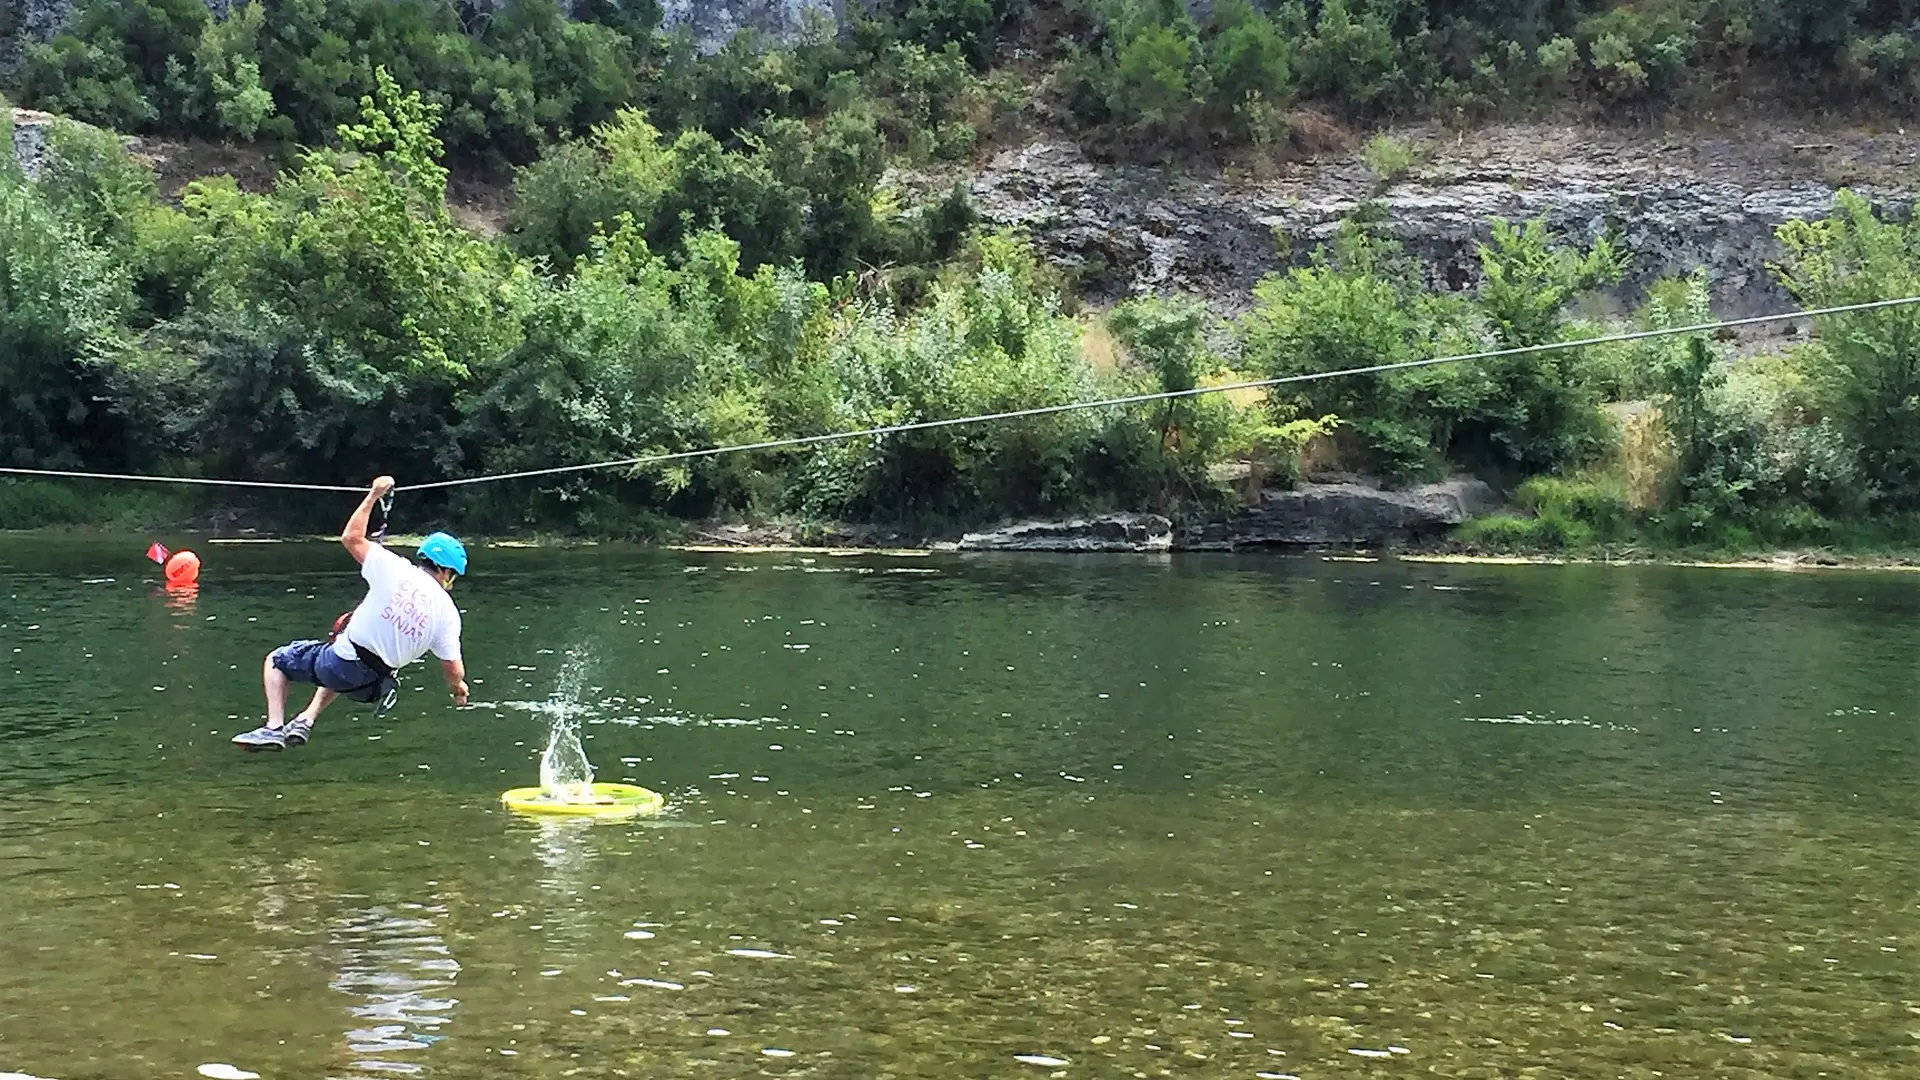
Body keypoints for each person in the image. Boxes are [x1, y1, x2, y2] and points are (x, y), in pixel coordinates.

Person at [233, 476, 469, 751]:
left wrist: (373, 496)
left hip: (341, 666)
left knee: (277, 660)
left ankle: (272, 728)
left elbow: (351, 538)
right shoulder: (449, 613)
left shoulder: (395, 567)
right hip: (374, 688)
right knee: (341, 653)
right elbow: (453, 670)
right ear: (445, 570)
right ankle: (306, 720)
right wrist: (458, 689)